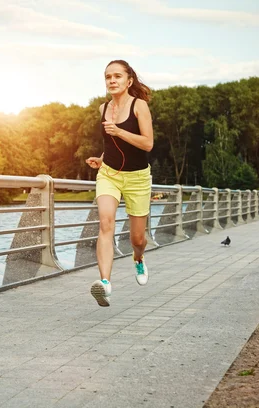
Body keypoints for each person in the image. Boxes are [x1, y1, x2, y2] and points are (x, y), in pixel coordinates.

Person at [85, 60, 154, 307]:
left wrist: (119, 131)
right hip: (109, 174)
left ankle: (138, 258)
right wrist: (101, 159)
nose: (112, 80)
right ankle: (104, 284)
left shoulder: (140, 106)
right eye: (107, 77)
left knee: (137, 238)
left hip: (138, 178)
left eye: (117, 76)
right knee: (105, 223)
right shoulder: (103, 108)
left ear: (129, 81)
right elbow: (111, 143)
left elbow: (148, 144)